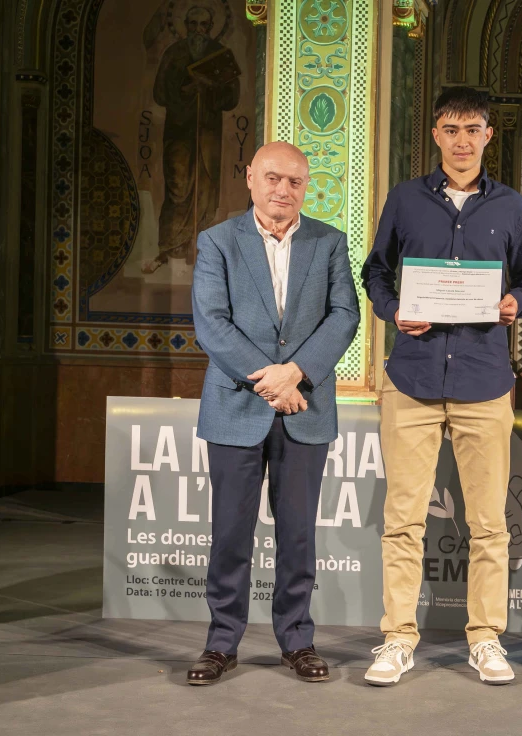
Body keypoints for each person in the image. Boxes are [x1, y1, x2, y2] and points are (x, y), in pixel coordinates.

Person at [360, 87, 522, 686]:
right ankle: (397, 638)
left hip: (484, 378)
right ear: (435, 134)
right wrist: (391, 311)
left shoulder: (510, 206)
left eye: (473, 129)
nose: (462, 140)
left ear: (490, 135)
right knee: (403, 519)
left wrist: (518, 300)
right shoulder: (405, 200)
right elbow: (376, 270)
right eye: (451, 128)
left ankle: (486, 638)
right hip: (411, 377)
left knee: (489, 522)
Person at [187, 141, 360, 685]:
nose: (283, 190)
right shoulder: (217, 241)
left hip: (305, 406)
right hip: (238, 406)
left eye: (294, 182)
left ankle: (297, 640)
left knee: (298, 534)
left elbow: (344, 315)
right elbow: (211, 324)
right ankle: (220, 643)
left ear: (306, 186)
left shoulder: (330, 242)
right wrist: (273, 381)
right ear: (250, 178)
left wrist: (297, 373)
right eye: (272, 179)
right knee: (231, 533)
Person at [147, 6, 241, 274]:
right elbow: (160, 93)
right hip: (179, 132)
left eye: (204, 25)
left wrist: (211, 89)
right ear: (186, 25)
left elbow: (231, 97)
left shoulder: (220, 55)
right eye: (193, 24)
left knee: (206, 188)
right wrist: (187, 88)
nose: (198, 30)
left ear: (211, 27)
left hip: (208, 134)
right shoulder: (174, 53)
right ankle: (170, 248)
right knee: (177, 186)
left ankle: (202, 249)